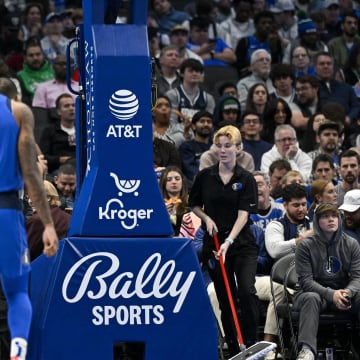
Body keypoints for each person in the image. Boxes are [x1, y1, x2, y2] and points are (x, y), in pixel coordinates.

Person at [188, 125, 259, 355]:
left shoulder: (246, 178)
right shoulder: (205, 176)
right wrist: (206, 218)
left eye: (228, 146)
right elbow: (194, 204)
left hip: (240, 245)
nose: (223, 150)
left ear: (238, 148)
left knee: (246, 291)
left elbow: (244, 214)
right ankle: (234, 347)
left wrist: (229, 241)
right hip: (215, 244)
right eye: (219, 146)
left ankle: (252, 342)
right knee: (225, 296)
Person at [0, 92, 58, 360]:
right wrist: (47, 223)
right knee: (17, 291)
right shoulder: (18, 111)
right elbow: (31, 173)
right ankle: (18, 353)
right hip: (6, 209)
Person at [294, 202, 360, 360]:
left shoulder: (351, 244)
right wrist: (332, 294)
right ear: (317, 221)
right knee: (311, 297)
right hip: (310, 294)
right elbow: (306, 282)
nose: (331, 220)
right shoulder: (305, 246)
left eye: (334, 216)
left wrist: (347, 292)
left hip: (342, 294)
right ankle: (307, 351)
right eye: (325, 216)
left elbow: (357, 277)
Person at [265, 183, 312, 262]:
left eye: (304, 204)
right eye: (296, 205)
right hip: (285, 272)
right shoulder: (276, 226)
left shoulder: (313, 223)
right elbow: (274, 251)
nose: (301, 209)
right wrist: (301, 240)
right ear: (285, 205)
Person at [26, 179, 70, 260]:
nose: (30, 201)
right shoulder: (68, 218)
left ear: (48, 197)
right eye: (28, 197)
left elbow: (26, 253)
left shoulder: (36, 220)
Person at [314, 51, 360, 125]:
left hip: (347, 126)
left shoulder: (346, 87)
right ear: (315, 68)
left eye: (329, 63)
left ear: (333, 67)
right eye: (322, 64)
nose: (326, 66)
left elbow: (356, 106)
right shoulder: (312, 88)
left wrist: (349, 118)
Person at [166, 59, 215, 124]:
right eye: (191, 71)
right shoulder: (172, 95)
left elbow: (209, 123)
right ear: (182, 74)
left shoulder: (208, 99)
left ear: (201, 75)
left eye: (197, 71)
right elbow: (172, 122)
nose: (194, 74)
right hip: (177, 132)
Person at [39, 93, 76, 174]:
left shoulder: (83, 129)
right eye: (67, 106)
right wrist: (59, 159)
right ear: (58, 111)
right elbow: (43, 156)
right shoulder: (49, 130)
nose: (71, 108)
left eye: (73, 105)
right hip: (58, 170)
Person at [178, 110, 213, 188]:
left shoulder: (217, 146)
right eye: (202, 121)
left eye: (209, 122)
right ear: (193, 126)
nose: (206, 124)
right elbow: (190, 171)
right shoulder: (186, 147)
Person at [234, 11, 274, 78]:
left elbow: (275, 65)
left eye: (270, 23)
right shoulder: (245, 42)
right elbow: (238, 65)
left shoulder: (274, 43)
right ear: (255, 25)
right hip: (248, 78)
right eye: (263, 23)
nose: (267, 25)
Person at [16, 39, 54, 106]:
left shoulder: (54, 71)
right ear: (25, 58)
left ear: (43, 56)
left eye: (38, 54)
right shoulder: (19, 76)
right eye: (31, 55)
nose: (35, 58)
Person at [159, 166, 189, 236]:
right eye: (169, 180)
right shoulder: (158, 204)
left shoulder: (191, 202)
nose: (174, 182)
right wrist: (163, 216)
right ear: (163, 182)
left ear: (182, 181)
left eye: (177, 179)